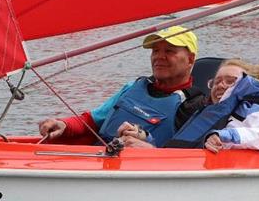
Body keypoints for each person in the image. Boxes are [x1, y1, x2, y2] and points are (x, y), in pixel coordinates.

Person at [38, 26, 204, 146]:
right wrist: (64, 125)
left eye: (169, 51)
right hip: (99, 162)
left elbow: (181, 156)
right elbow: (92, 120)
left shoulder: (194, 107)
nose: (159, 57)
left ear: (190, 59)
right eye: (155, 51)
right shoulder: (133, 87)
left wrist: (146, 142)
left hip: (141, 175)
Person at [161, 58, 259, 152]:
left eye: (230, 81)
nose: (221, 85)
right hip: (178, 164)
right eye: (217, 82)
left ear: (244, 87)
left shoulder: (251, 110)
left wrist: (225, 136)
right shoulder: (206, 111)